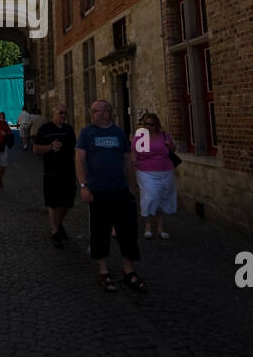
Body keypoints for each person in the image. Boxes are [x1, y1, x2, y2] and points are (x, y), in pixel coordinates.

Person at [75, 98, 146, 293]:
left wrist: (133, 187)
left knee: (128, 231)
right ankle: (103, 271)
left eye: (95, 111)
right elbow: (80, 160)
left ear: (106, 113)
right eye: (92, 111)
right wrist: (83, 186)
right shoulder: (86, 133)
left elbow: (127, 161)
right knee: (100, 231)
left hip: (120, 190)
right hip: (98, 192)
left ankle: (129, 270)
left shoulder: (118, 133)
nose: (92, 114)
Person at [33, 100, 77, 246]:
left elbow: (75, 149)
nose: (63, 115)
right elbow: (36, 149)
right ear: (54, 114)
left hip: (68, 171)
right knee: (53, 203)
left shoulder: (69, 130)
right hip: (52, 172)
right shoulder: (45, 129)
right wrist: (50, 147)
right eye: (61, 112)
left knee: (67, 203)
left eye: (65, 113)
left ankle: (58, 224)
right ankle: (55, 232)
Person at [133, 111, 179, 239]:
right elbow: (134, 153)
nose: (149, 127)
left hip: (165, 171)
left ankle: (161, 227)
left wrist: (170, 146)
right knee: (150, 197)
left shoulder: (163, 135)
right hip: (145, 171)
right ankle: (148, 226)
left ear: (156, 125)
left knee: (163, 198)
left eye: (152, 125)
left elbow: (173, 150)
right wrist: (132, 168)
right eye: (146, 124)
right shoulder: (140, 136)